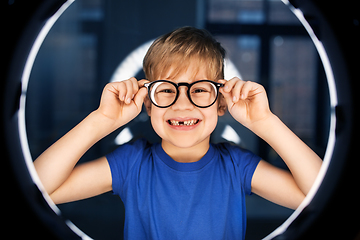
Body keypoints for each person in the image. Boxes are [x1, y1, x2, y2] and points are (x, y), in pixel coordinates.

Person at [34, 26, 322, 239]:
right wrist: (101, 120)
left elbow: (320, 194)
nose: (182, 104)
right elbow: (39, 188)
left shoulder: (235, 165)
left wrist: (265, 122)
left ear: (220, 103)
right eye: (167, 90)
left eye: (198, 90)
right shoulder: (132, 163)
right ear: (147, 104)